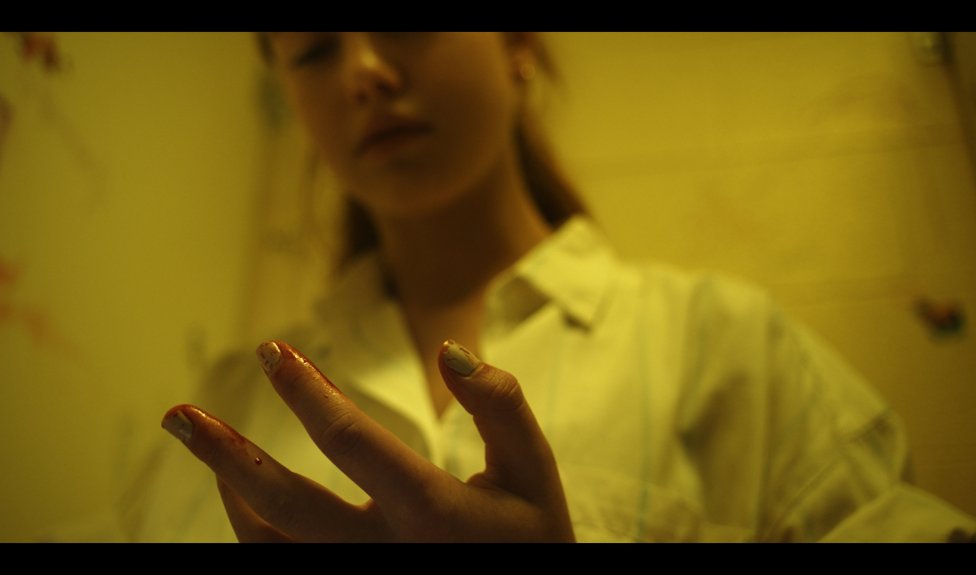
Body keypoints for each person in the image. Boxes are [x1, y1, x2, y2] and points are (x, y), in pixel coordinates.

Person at [128, 32, 975, 542]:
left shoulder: (725, 344)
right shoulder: (228, 407)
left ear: (520, 46)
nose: (363, 69)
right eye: (312, 46)